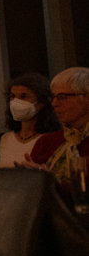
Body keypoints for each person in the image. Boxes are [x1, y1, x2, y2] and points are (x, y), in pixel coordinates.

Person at [26, 67, 89, 199]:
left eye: (62, 97)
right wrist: (27, 177)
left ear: (86, 99)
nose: (54, 103)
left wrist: (52, 182)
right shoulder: (46, 142)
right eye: (53, 97)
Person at [0, 72, 57, 169]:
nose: (16, 102)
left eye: (23, 96)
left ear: (41, 103)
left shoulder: (52, 140)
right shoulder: (1, 140)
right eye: (12, 96)